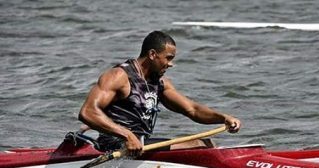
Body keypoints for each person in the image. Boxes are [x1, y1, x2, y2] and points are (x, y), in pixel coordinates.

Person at [78, 31, 241, 156]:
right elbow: (88, 112)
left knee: (205, 143)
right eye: (168, 58)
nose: (171, 64)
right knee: (199, 145)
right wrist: (127, 135)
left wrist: (223, 117)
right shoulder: (119, 76)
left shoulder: (160, 83)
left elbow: (192, 110)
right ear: (152, 54)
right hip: (116, 146)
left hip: (141, 144)